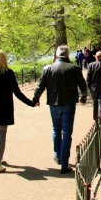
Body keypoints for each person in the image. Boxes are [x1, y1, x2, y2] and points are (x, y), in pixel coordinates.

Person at [0, 49, 36, 174]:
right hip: (4, 108)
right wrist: (31, 103)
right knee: (1, 135)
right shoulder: (8, 73)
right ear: (4, 59)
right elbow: (17, 93)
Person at [32, 45, 88, 174]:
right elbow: (83, 85)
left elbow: (40, 85)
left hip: (54, 104)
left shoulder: (48, 68)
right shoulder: (74, 68)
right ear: (67, 55)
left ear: (57, 55)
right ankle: (64, 162)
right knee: (66, 133)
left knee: (56, 129)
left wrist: (36, 98)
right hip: (68, 104)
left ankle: (57, 156)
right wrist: (83, 96)